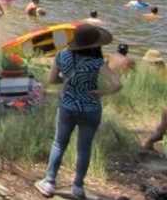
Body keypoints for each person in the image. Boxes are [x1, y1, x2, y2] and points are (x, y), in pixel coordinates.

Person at [35, 24, 121, 200]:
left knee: (59, 143)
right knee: (84, 148)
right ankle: (78, 187)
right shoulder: (97, 62)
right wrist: (101, 93)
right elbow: (117, 84)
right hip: (91, 109)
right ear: (95, 45)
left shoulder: (62, 56)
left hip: (67, 106)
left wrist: (66, 79)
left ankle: (49, 183)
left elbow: (52, 80)